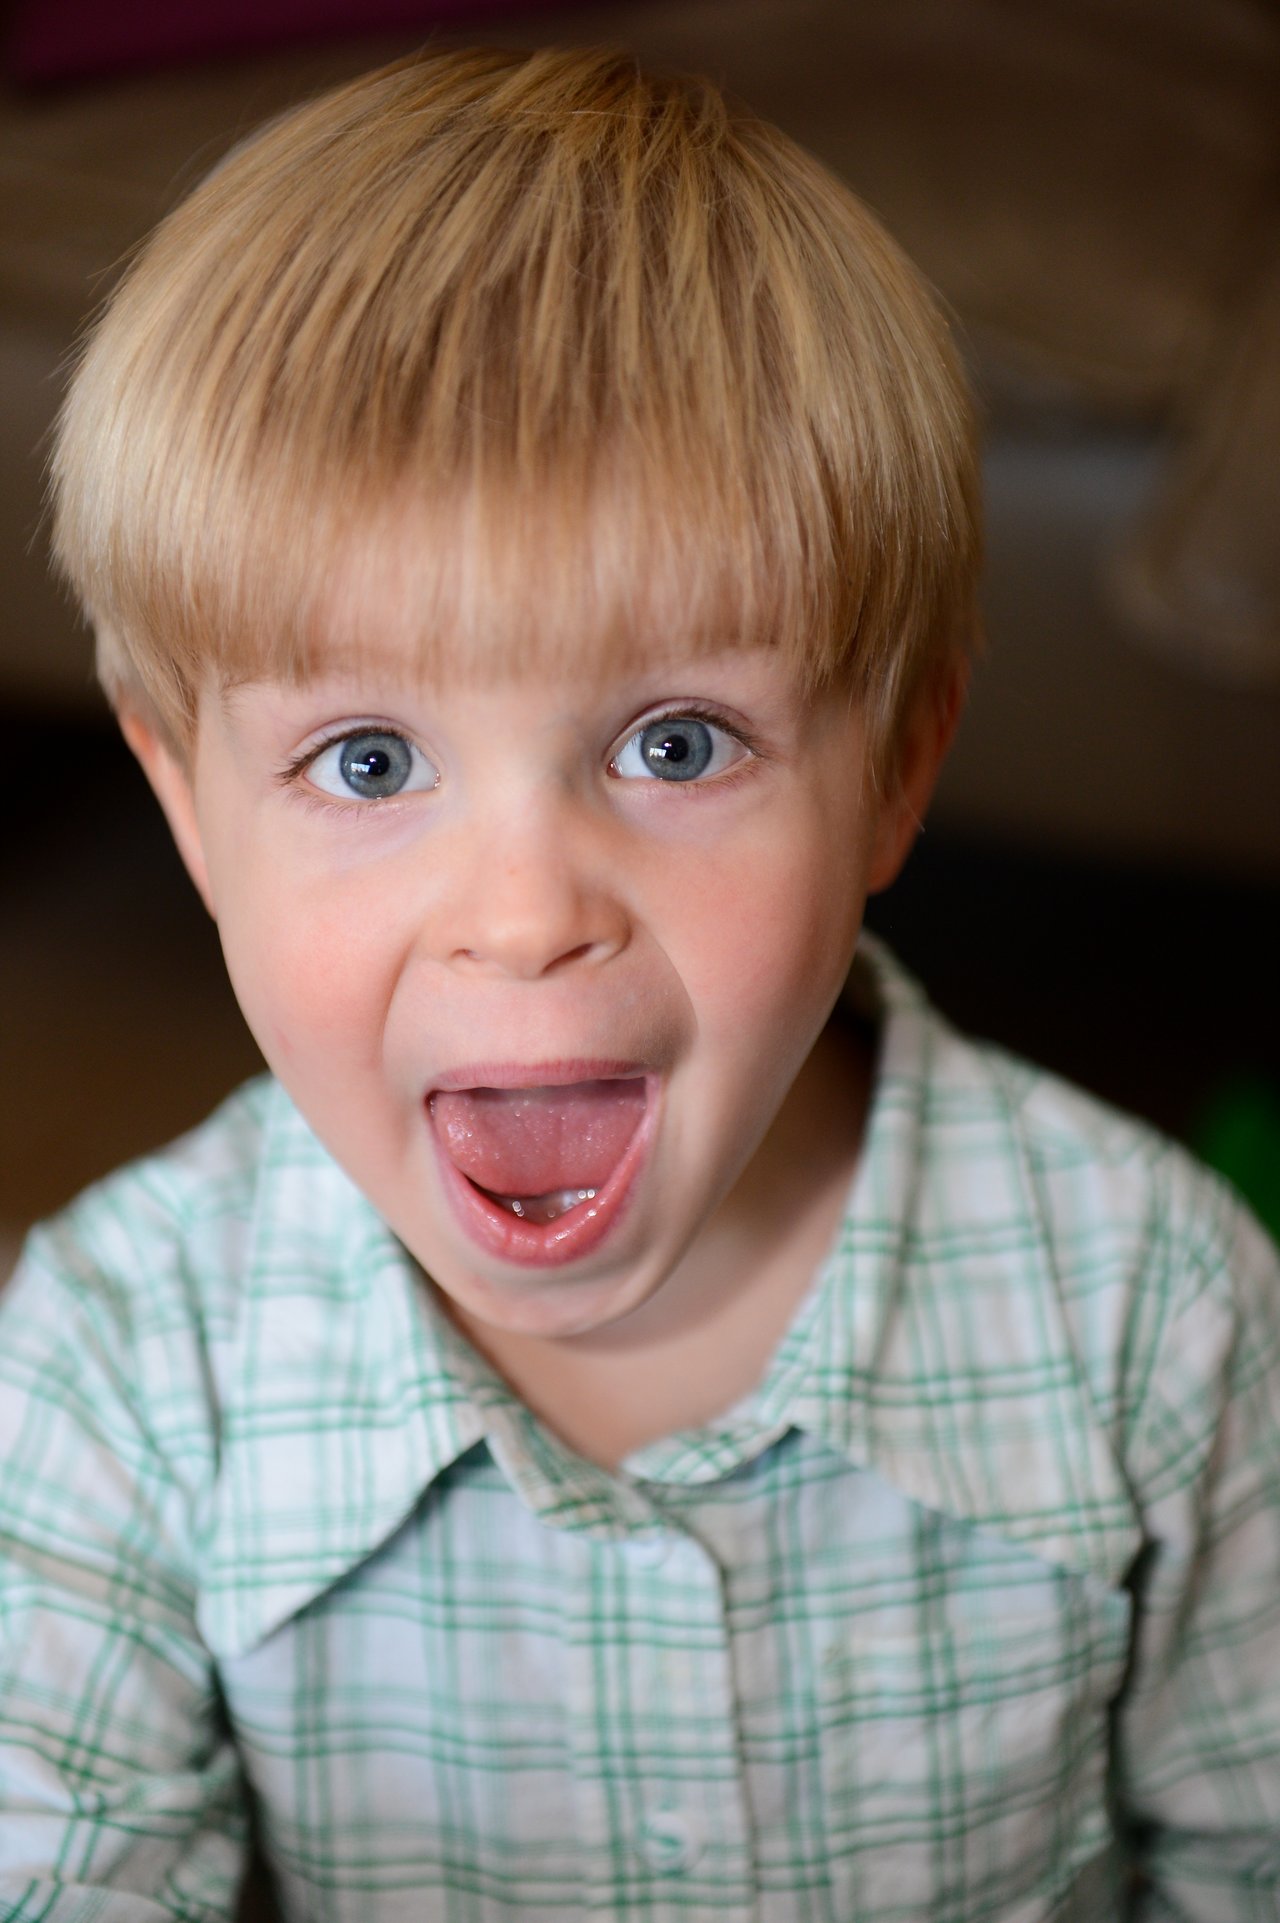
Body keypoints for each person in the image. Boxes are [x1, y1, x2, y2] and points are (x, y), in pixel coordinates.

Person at [1, 44, 1277, 1923]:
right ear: (188, 811)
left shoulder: (1164, 1314)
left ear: (900, 772)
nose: (523, 916)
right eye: (368, 762)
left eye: (677, 745)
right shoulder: (113, 1363)